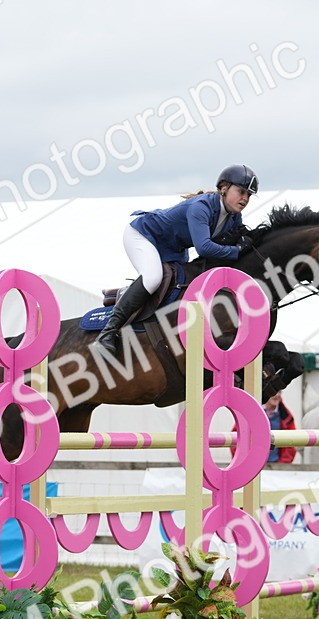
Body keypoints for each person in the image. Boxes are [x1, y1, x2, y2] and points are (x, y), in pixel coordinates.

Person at [94, 164, 259, 354]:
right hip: (144, 235)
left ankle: (128, 295)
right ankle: (108, 332)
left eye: (249, 195)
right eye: (241, 192)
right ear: (223, 188)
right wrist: (237, 250)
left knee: (184, 283)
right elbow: (204, 248)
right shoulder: (201, 206)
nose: (245, 199)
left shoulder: (233, 218)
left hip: (174, 248)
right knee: (153, 277)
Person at [260, 391, 297, 464]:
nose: (276, 395)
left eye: (279, 392)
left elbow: (292, 441)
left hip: (277, 467)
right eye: (273, 391)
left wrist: (283, 464)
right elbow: (239, 437)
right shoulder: (252, 413)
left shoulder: (287, 416)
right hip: (255, 466)